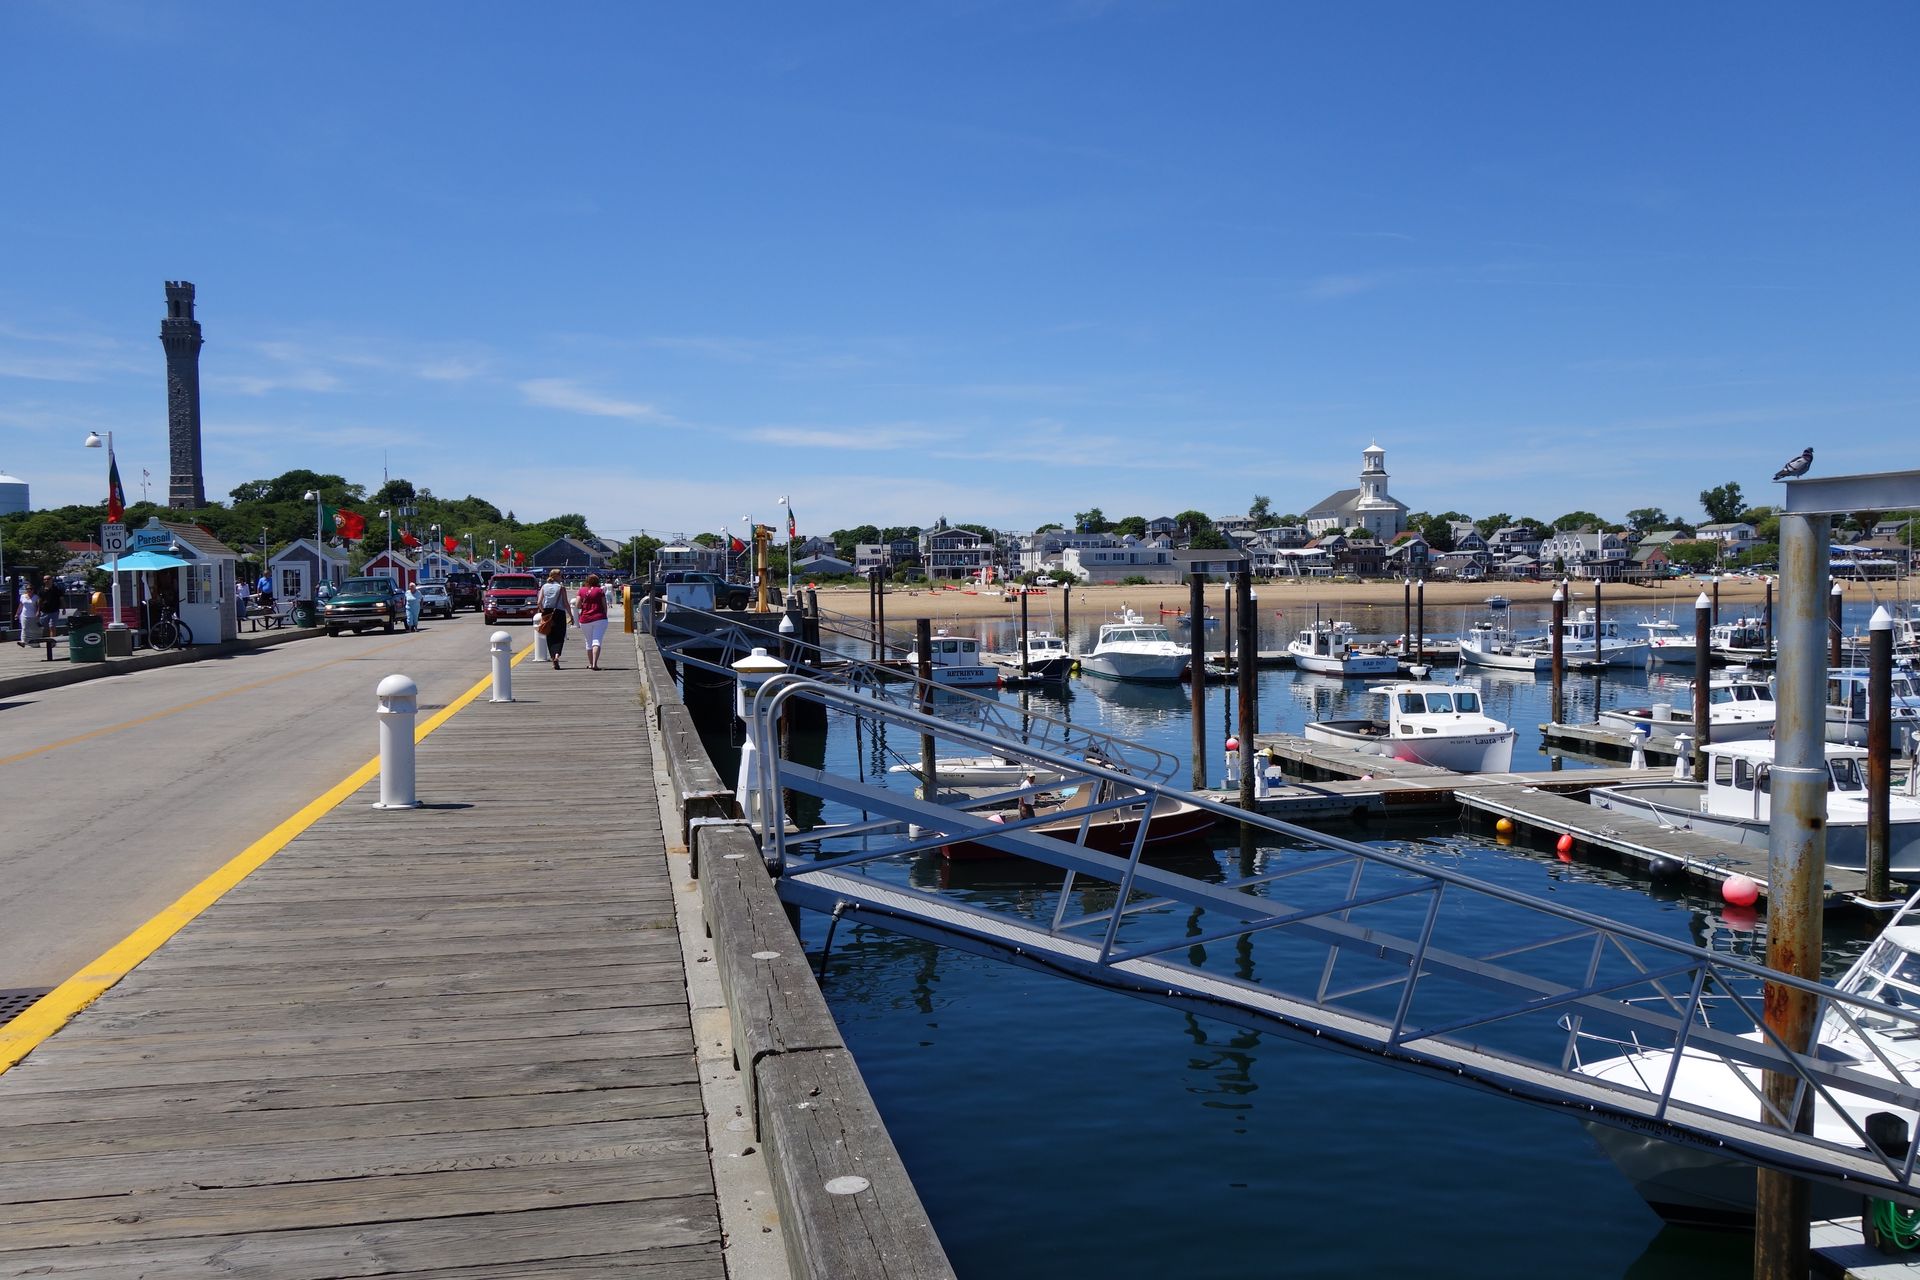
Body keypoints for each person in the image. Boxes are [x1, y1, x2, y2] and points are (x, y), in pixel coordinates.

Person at [537, 569, 575, 669]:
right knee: (560, 635)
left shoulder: (544, 586)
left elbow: (539, 602)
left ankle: (553, 656)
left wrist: (543, 612)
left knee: (550, 635)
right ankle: (557, 655)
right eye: (561, 575)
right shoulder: (561, 587)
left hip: (547, 612)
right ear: (556, 576)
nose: (562, 577)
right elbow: (566, 603)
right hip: (559, 613)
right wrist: (571, 616)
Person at [576, 573, 609, 670]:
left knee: (588, 642)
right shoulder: (600, 591)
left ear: (587, 581)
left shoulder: (581, 590)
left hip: (585, 619)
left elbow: (577, 605)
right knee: (597, 641)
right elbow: (604, 605)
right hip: (599, 618)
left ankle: (591, 664)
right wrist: (605, 616)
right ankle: (595, 664)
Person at [15, 575, 38, 645]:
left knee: (33, 629)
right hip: (24, 615)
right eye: (27, 589)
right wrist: (17, 614)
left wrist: (38, 613)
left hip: (33, 615)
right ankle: (23, 641)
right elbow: (20, 605)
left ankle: (34, 642)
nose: (29, 590)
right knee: (24, 628)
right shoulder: (22, 596)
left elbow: (38, 607)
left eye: (30, 589)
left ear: (33, 590)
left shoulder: (36, 597)